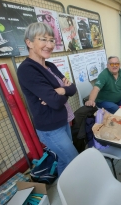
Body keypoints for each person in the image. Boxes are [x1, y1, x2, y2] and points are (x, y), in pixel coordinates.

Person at [17, 22, 78, 176]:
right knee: (75, 161)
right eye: (43, 39)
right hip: (51, 129)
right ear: (29, 43)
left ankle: (65, 192)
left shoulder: (50, 65)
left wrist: (59, 90)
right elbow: (55, 102)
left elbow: (73, 88)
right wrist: (60, 92)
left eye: (51, 40)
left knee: (64, 160)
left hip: (62, 120)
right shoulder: (27, 69)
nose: (49, 45)